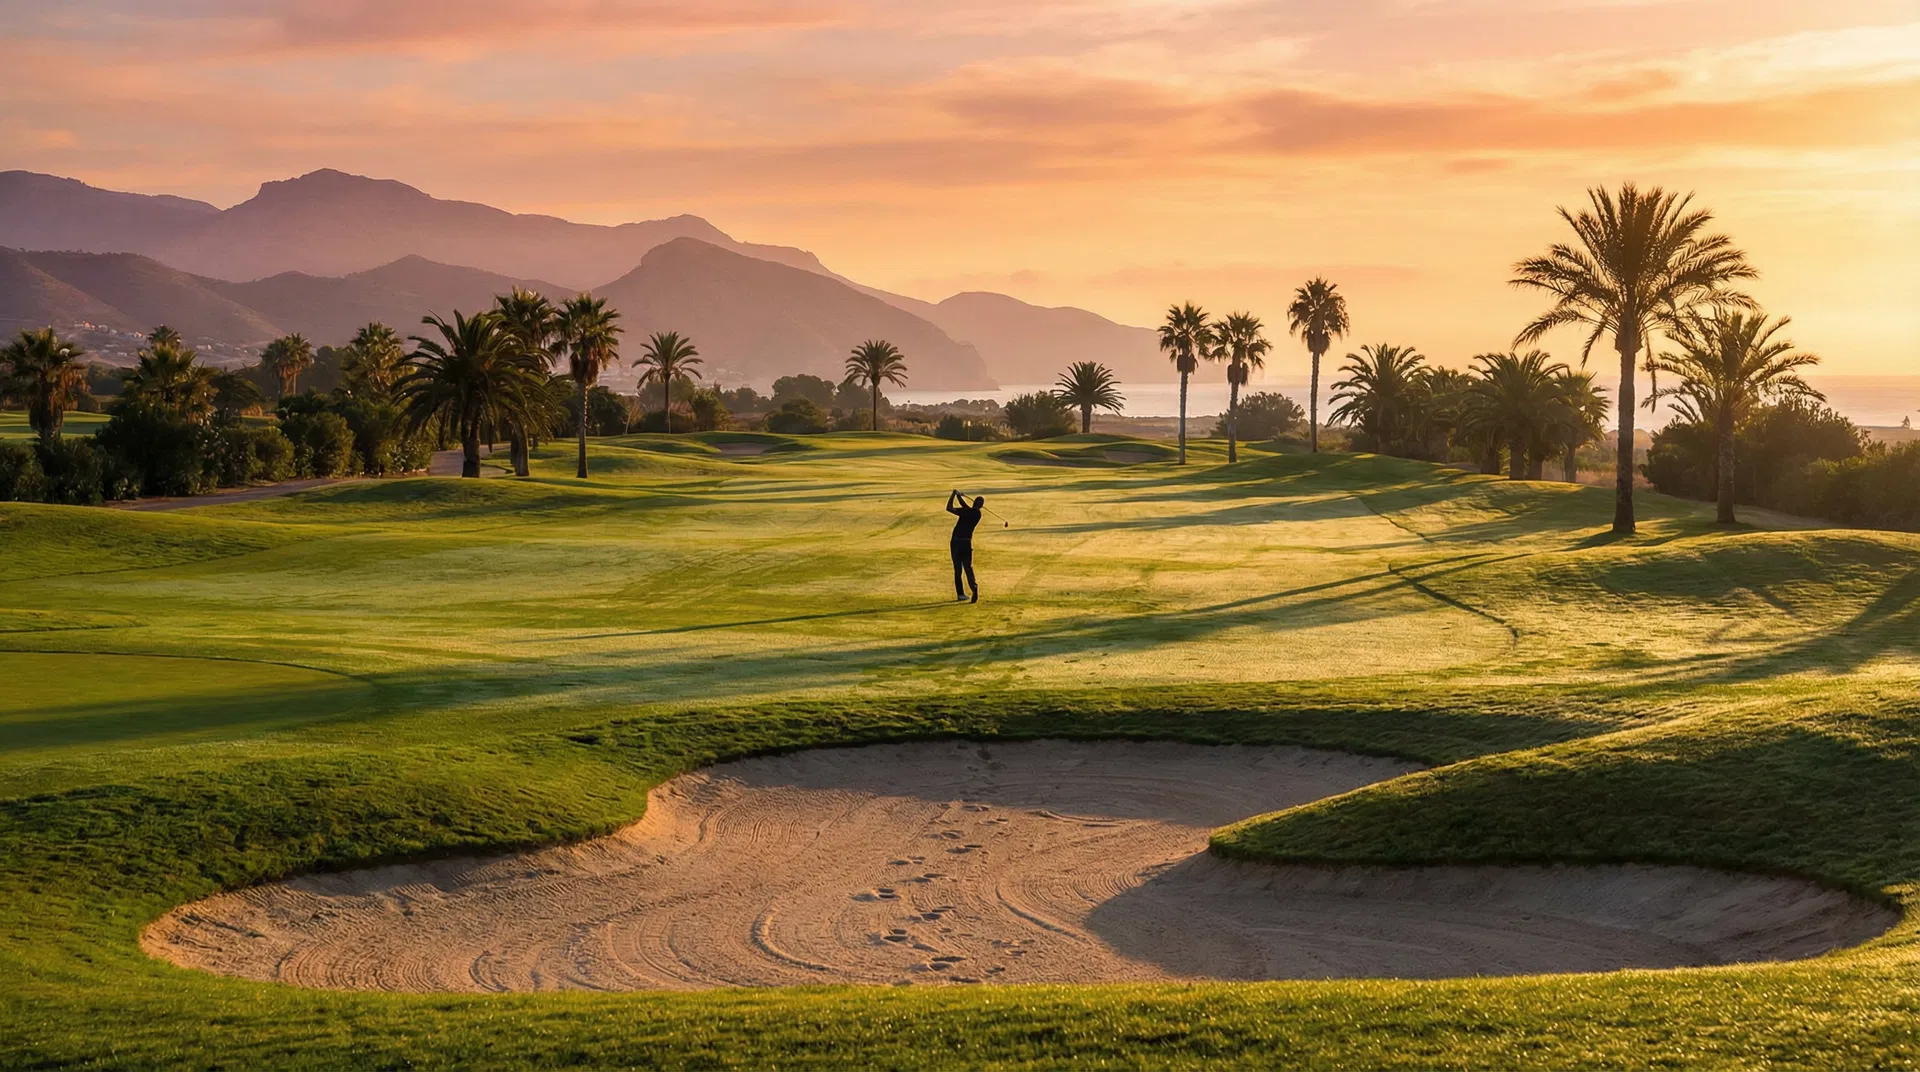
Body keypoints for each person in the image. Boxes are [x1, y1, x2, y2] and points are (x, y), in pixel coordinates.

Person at [945, 489, 984, 603]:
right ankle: (974, 588)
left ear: (974, 503)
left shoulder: (968, 511)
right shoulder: (977, 514)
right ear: (981, 506)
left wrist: (954, 495)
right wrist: (958, 496)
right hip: (966, 543)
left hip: (956, 542)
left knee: (958, 569)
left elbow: (949, 507)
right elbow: (962, 506)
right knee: (968, 568)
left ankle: (960, 594)